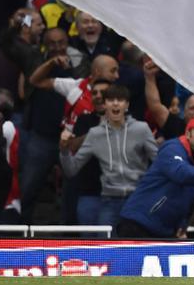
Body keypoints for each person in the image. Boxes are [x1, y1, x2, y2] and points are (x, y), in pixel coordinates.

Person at [59, 84, 158, 227]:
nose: (116, 103)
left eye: (120, 100)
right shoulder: (95, 134)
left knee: (134, 246)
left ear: (127, 105)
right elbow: (71, 170)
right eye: (111, 100)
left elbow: (159, 163)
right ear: (104, 105)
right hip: (109, 201)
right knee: (103, 247)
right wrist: (64, 151)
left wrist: (149, 189)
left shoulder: (141, 129)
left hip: (138, 199)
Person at [116, 116, 194, 237]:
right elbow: (182, 174)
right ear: (188, 134)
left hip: (160, 229)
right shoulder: (172, 149)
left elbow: (183, 200)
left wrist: (180, 226)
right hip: (138, 223)